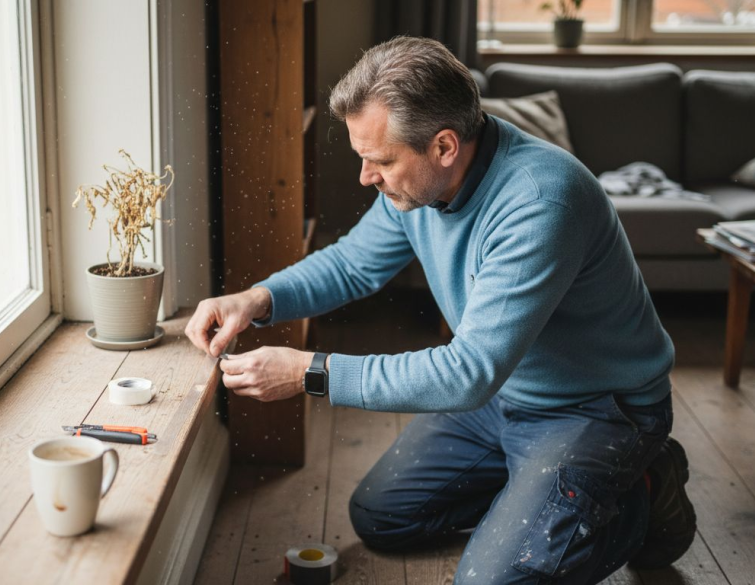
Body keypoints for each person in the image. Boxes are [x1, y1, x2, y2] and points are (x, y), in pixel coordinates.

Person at [185, 36, 696, 584]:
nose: (366, 177)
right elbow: (354, 264)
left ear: (444, 147)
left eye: (379, 161)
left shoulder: (541, 202)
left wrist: (311, 373)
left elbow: (467, 373)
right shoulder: (416, 187)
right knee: (381, 518)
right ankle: (540, 499)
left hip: (596, 411)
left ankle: (643, 488)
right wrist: (256, 299)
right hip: (506, 394)